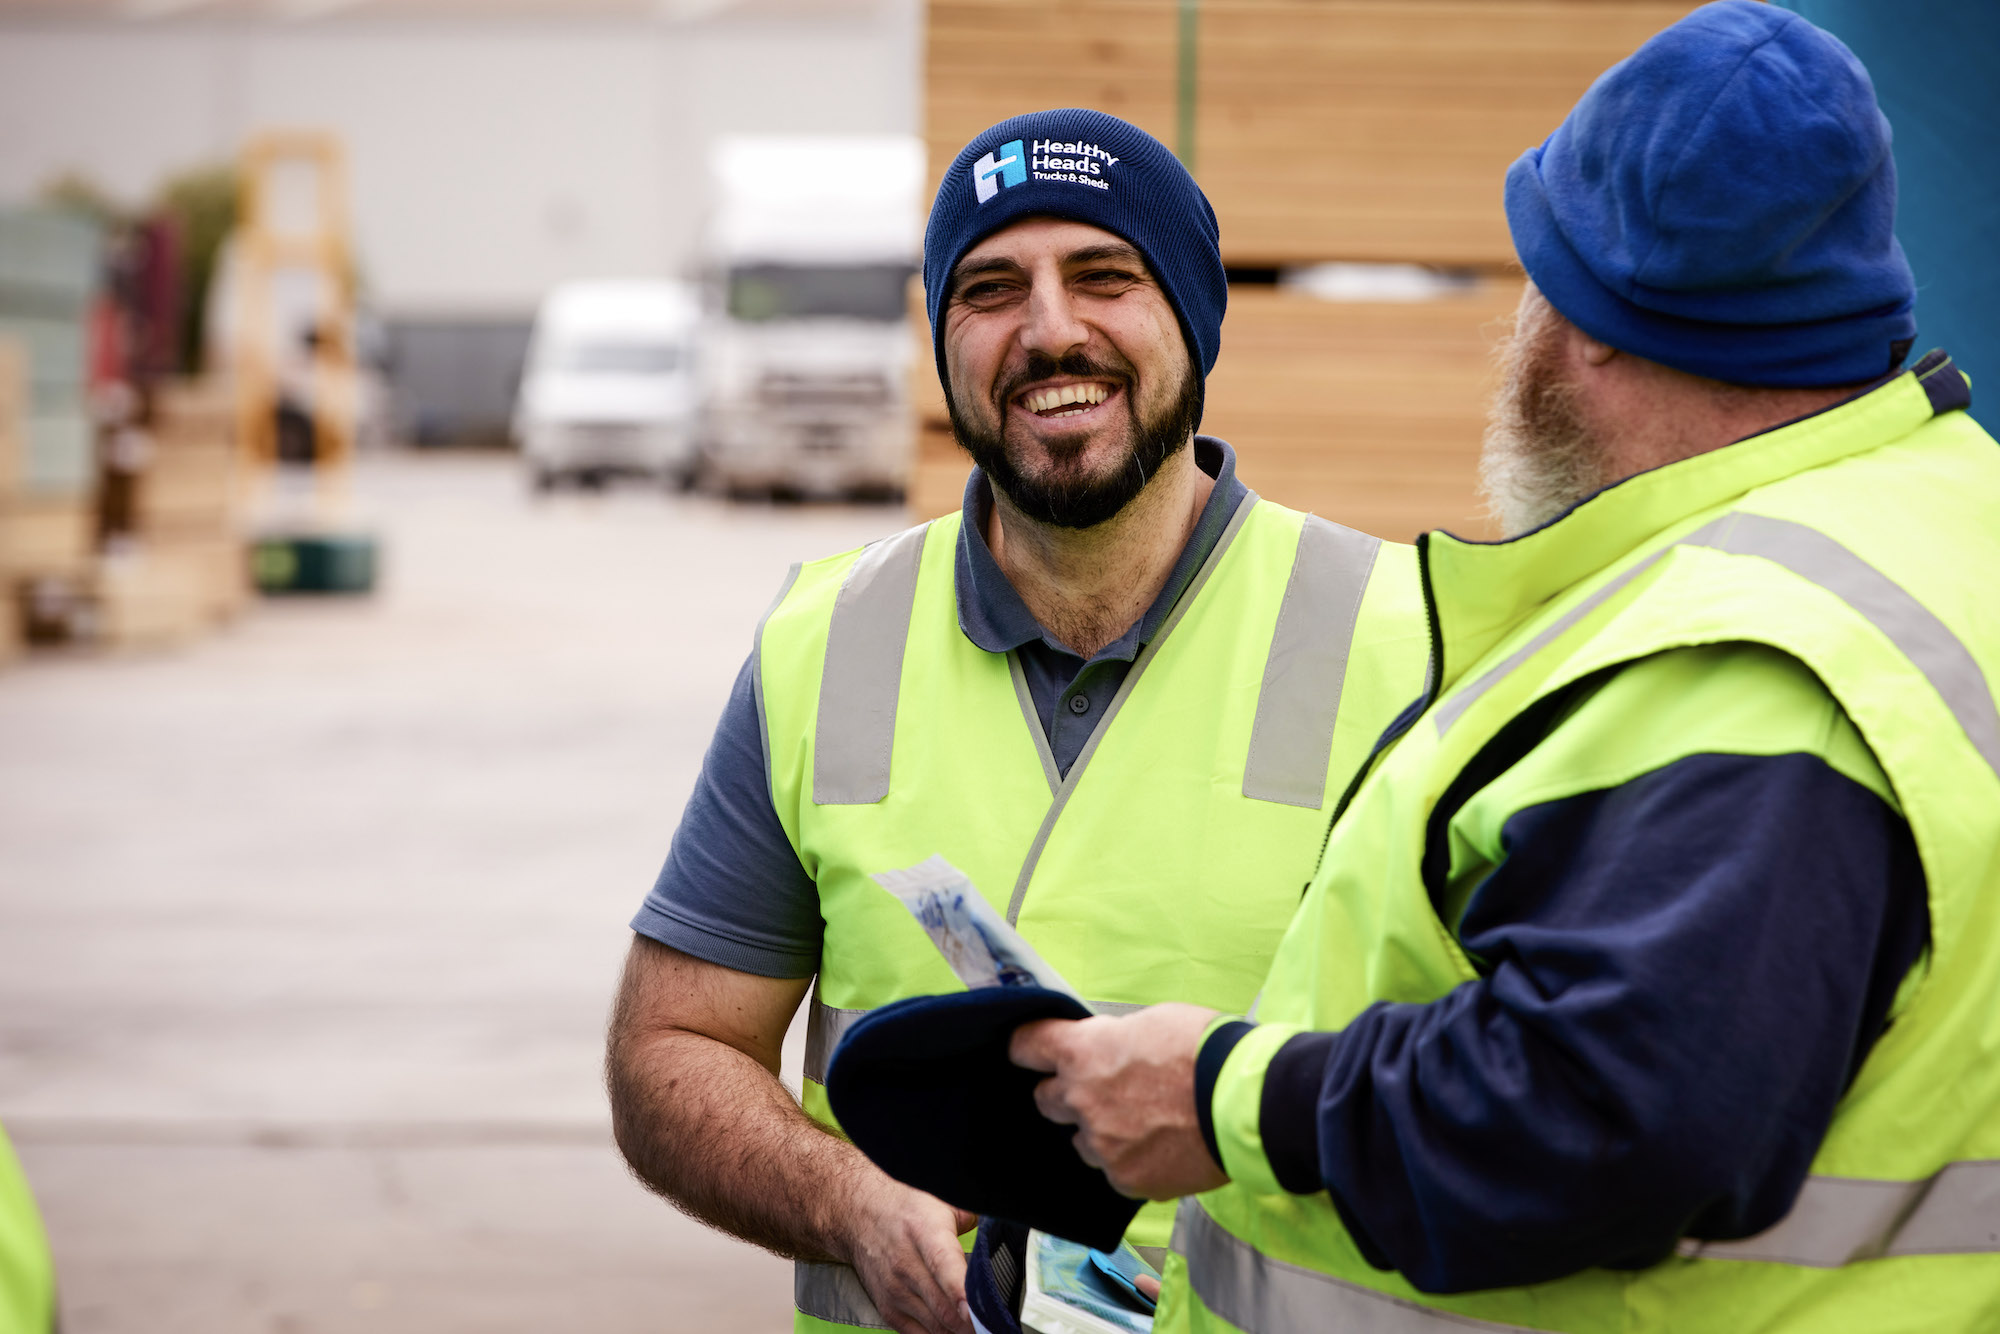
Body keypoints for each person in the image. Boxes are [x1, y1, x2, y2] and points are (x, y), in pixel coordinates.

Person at [1009, 5, 2000, 1330]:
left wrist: (1222, 1094)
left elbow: (1614, 1108)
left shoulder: (1749, 652)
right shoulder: (1944, 512)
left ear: (1587, 326)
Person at [604, 109, 1427, 1334]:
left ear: (1193, 317)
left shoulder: (1399, 639)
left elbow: (1514, 1074)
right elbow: (671, 1045)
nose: (1049, 329)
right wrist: (849, 1203)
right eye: (989, 287)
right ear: (940, 340)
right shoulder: (827, 641)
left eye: (1104, 274)